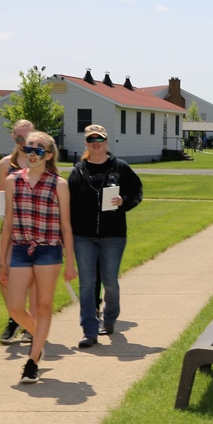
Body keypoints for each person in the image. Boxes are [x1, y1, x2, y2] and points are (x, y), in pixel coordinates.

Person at [0, 131, 77, 384]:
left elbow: (66, 227)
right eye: (28, 148)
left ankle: (32, 361)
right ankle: (39, 339)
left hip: (49, 249)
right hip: (21, 248)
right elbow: (8, 223)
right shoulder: (12, 181)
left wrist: (71, 263)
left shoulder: (59, 184)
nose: (32, 154)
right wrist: (2, 260)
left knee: (43, 305)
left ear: (49, 155)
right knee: (15, 307)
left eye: (39, 150)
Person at [67, 125, 143, 349]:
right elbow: (69, 204)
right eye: (91, 139)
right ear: (86, 143)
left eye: (99, 138)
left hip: (113, 235)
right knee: (87, 284)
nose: (96, 142)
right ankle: (89, 330)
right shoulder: (78, 171)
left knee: (109, 282)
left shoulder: (120, 167)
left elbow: (137, 192)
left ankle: (109, 320)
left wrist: (124, 201)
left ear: (106, 141)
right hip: (83, 237)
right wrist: (67, 235)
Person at [0, 119, 36, 345]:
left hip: (33, 226)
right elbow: (3, 197)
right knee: (2, 274)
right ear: (13, 138)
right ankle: (14, 317)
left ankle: (30, 322)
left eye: (27, 137)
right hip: (10, 227)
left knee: (31, 278)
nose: (23, 142)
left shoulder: (39, 160)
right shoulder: (5, 164)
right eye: (19, 138)